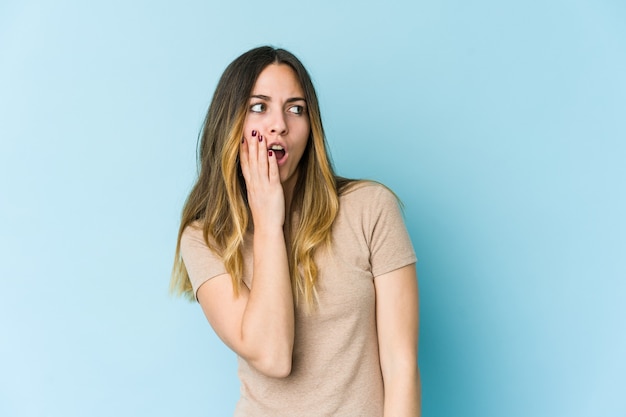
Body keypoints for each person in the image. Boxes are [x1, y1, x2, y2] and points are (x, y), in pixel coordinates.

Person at [170, 46, 421, 417]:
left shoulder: (370, 208)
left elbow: (401, 368)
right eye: (259, 107)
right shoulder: (205, 238)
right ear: (230, 123)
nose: (279, 125)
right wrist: (270, 221)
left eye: (296, 108)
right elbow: (273, 356)